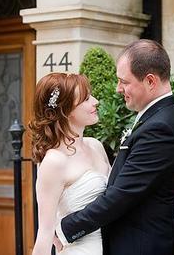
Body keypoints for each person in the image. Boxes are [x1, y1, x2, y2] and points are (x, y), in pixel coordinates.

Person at [56, 39, 174, 255]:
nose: (118, 89)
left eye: (124, 82)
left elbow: (121, 195)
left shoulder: (160, 127)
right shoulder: (157, 117)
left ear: (150, 81)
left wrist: (65, 229)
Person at [29, 73, 110, 255]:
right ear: (66, 110)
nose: (95, 101)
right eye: (86, 98)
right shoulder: (54, 161)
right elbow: (45, 231)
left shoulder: (96, 146)